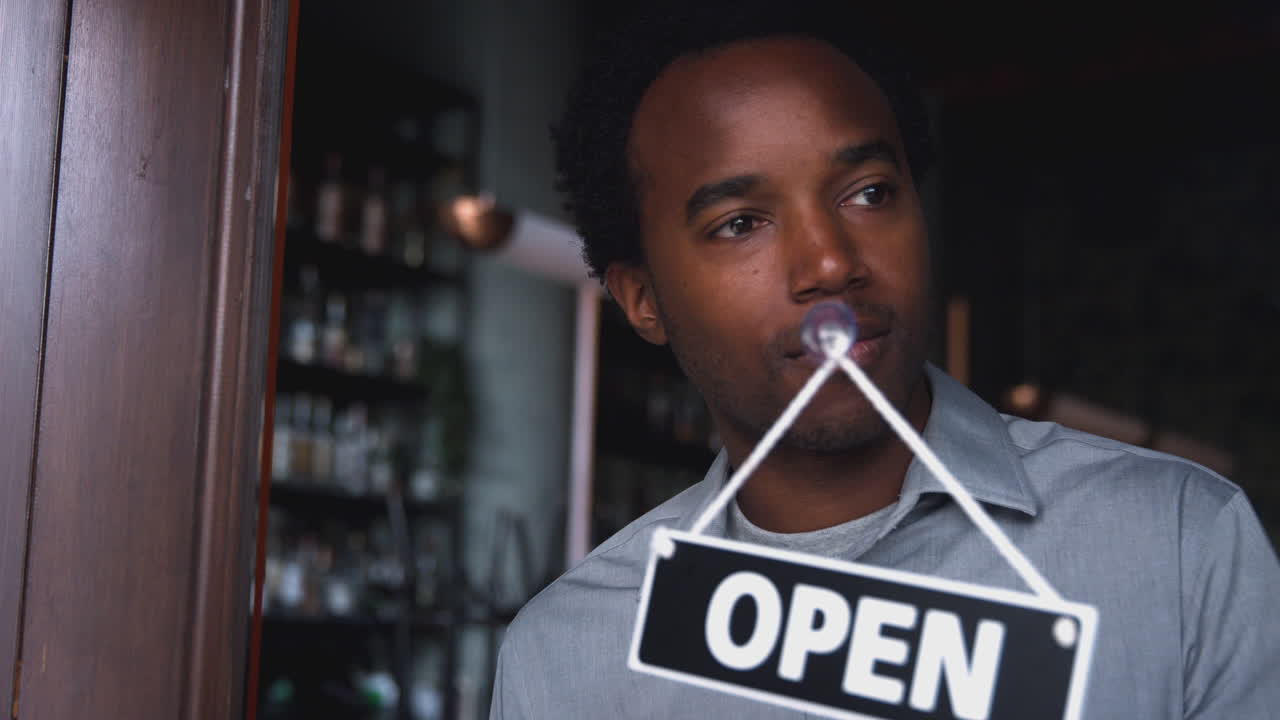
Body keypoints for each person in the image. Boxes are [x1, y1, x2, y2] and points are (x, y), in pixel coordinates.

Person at [489, 2, 1280, 717]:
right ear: (641, 300)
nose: (830, 263)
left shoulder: (1178, 547)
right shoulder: (569, 660)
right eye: (740, 223)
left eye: (867, 192)